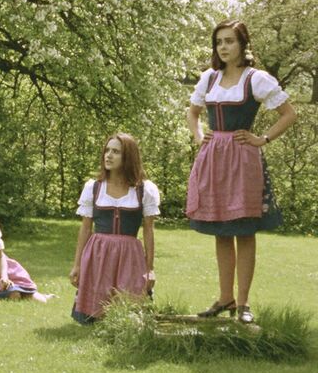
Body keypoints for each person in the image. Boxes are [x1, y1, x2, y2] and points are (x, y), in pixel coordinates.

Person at [186, 20, 297, 324]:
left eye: (229, 41)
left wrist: (263, 139)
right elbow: (192, 113)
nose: (223, 47)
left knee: (245, 231)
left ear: (242, 45)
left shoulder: (255, 79)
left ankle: (244, 304)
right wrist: (199, 138)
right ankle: (226, 298)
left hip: (243, 158)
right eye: (219, 42)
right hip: (213, 159)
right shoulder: (209, 78)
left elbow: (289, 113)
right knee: (221, 231)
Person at [69, 133, 159, 324]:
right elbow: (85, 229)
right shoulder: (94, 187)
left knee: (130, 316)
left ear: (128, 157)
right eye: (107, 150)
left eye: (116, 152)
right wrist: (77, 265)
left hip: (130, 254)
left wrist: (150, 268)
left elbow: (149, 231)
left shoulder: (144, 189)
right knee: (94, 318)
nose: (108, 155)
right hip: (98, 252)